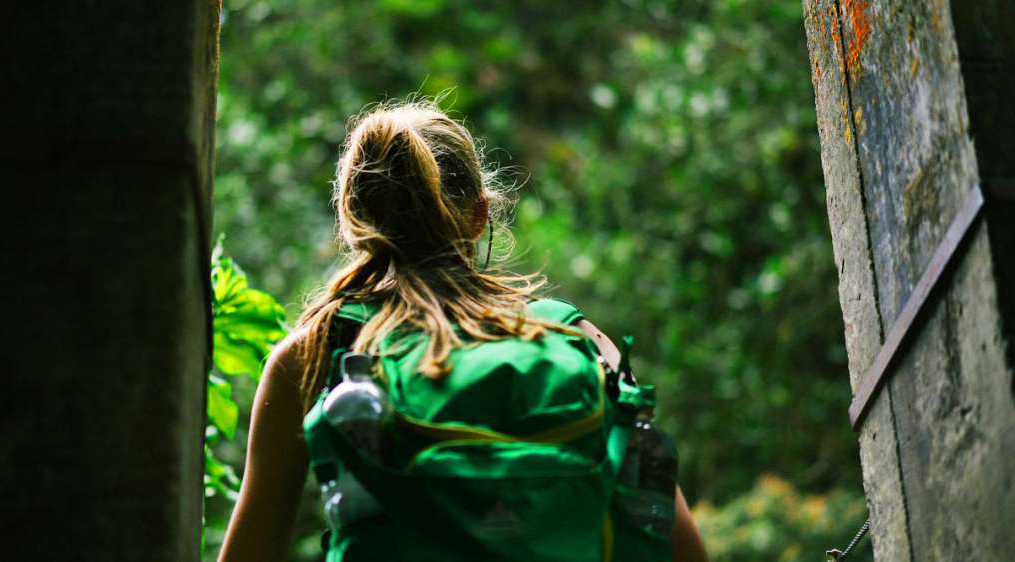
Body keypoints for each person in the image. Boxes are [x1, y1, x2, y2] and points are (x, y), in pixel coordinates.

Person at [218, 100, 708, 562]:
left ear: (353, 221)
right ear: (479, 216)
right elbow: (681, 545)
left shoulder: (320, 350)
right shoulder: (576, 337)